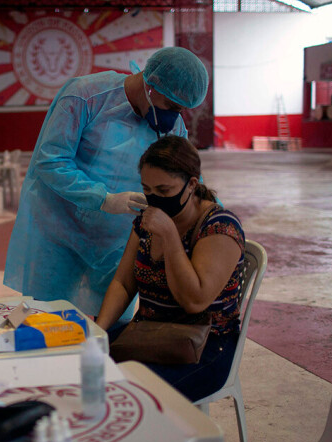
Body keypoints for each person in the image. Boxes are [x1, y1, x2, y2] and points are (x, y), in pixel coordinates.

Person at [4, 47, 209, 321]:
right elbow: (51, 160)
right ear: (151, 86)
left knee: (110, 329)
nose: (175, 116)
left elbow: (188, 177)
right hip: (59, 233)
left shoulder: (171, 126)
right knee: (48, 323)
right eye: (172, 106)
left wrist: (212, 214)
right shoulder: (86, 96)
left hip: (115, 243)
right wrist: (104, 199)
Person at [95, 135, 245, 402]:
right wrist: (98, 331)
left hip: (203, 346)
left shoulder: (219, 226)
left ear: (192, 185)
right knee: (79, 369)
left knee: (124, 396)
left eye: (164, 191)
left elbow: (194, 300)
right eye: (148, 190)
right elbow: (124, 282)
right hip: (149, 335)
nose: (155, 200)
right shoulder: (146, 221)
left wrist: (171, 237)